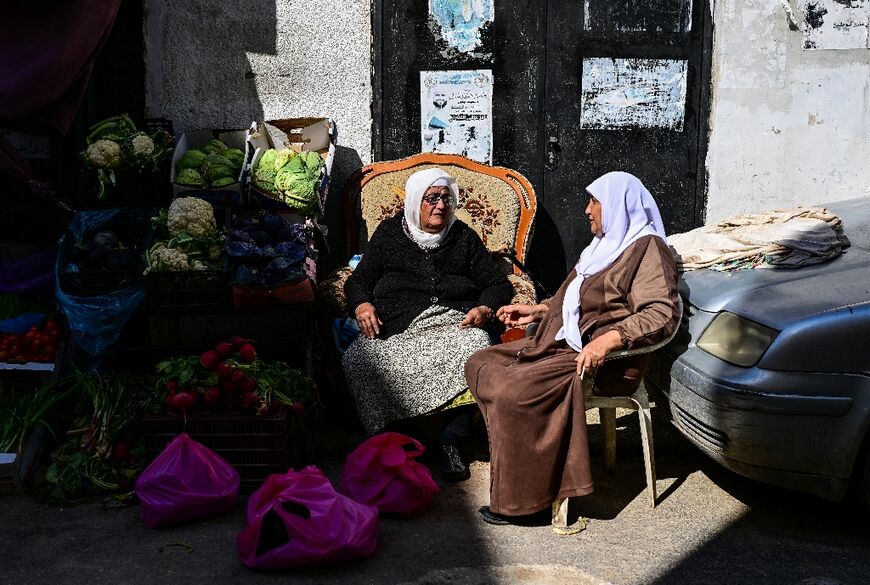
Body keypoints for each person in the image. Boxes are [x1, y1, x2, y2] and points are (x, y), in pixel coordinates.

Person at [464, 171, 680, 525]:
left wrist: (609, 340)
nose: (586, 210)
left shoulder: (647, 250)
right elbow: (577, 297)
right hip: (562, 343)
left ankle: (532, 501)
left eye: (594, 201)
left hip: (602, 362)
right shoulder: (605, 246)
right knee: (481, 363)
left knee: (513, 389)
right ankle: (523, 474)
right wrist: (537, 310)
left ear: (618, 204)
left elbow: (661, 313)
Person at [342, 167, 513, 481]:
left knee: (477, 350)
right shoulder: (390, 235)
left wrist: (485, 309)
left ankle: (452, 439)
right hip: (399, 326)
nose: (440, 206)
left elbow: (498, 284)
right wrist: (361, 304)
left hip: (453, 323)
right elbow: (359, 282)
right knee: (358, 359)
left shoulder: (462, 237)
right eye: (431, 198)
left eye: (447, 199)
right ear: (414, 201)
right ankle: (401, 440)